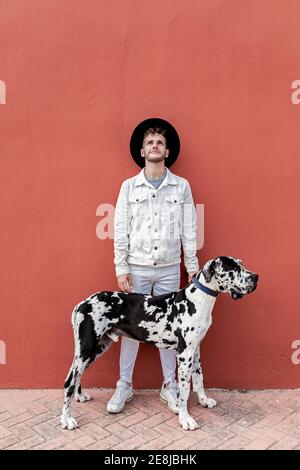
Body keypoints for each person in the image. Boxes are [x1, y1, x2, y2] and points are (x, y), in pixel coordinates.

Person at [107, 118, 199, 414]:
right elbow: (121, 228)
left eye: (160, 142)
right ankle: (124, 384)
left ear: (167, 151)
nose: (155, 146)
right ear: (143, 151)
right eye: (150, 143)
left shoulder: (181, 186)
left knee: (171, 328)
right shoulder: (128, 187)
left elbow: (189, 228)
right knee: (129, 327)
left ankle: (170, 386)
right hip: (137, 267)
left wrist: (192, 267)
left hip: (170, 268)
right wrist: (121, 267)